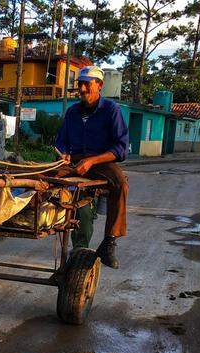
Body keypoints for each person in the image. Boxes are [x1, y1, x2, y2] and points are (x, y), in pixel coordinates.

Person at [55, 65, 129, 269]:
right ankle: (36, 217)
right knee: (43, 177)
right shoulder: (72, 112)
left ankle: (109, 241)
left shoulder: (111, 110)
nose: (82, 89)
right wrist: (64, 154)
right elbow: (61, 141)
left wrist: (91, 161)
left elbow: (121, 148)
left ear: (100, 85)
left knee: (121, 184)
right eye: (80, 85)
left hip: (102, 162)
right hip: (75, 162)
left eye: (87, 85)